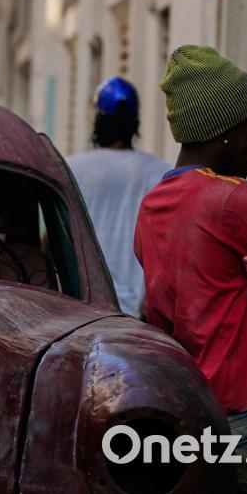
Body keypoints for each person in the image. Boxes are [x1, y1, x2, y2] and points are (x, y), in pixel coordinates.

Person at [135, 45, 247, 492]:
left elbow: (178, 299)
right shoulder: (233, 198)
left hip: (194, 415)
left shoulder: (151, 206)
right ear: (220, 133)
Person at [66, 77, 170, 316]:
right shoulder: (160, 172)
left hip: (81, 312)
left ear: (98, 120)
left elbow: (53, 240)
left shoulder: (72, 169)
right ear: (135, 122)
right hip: (138, 317)